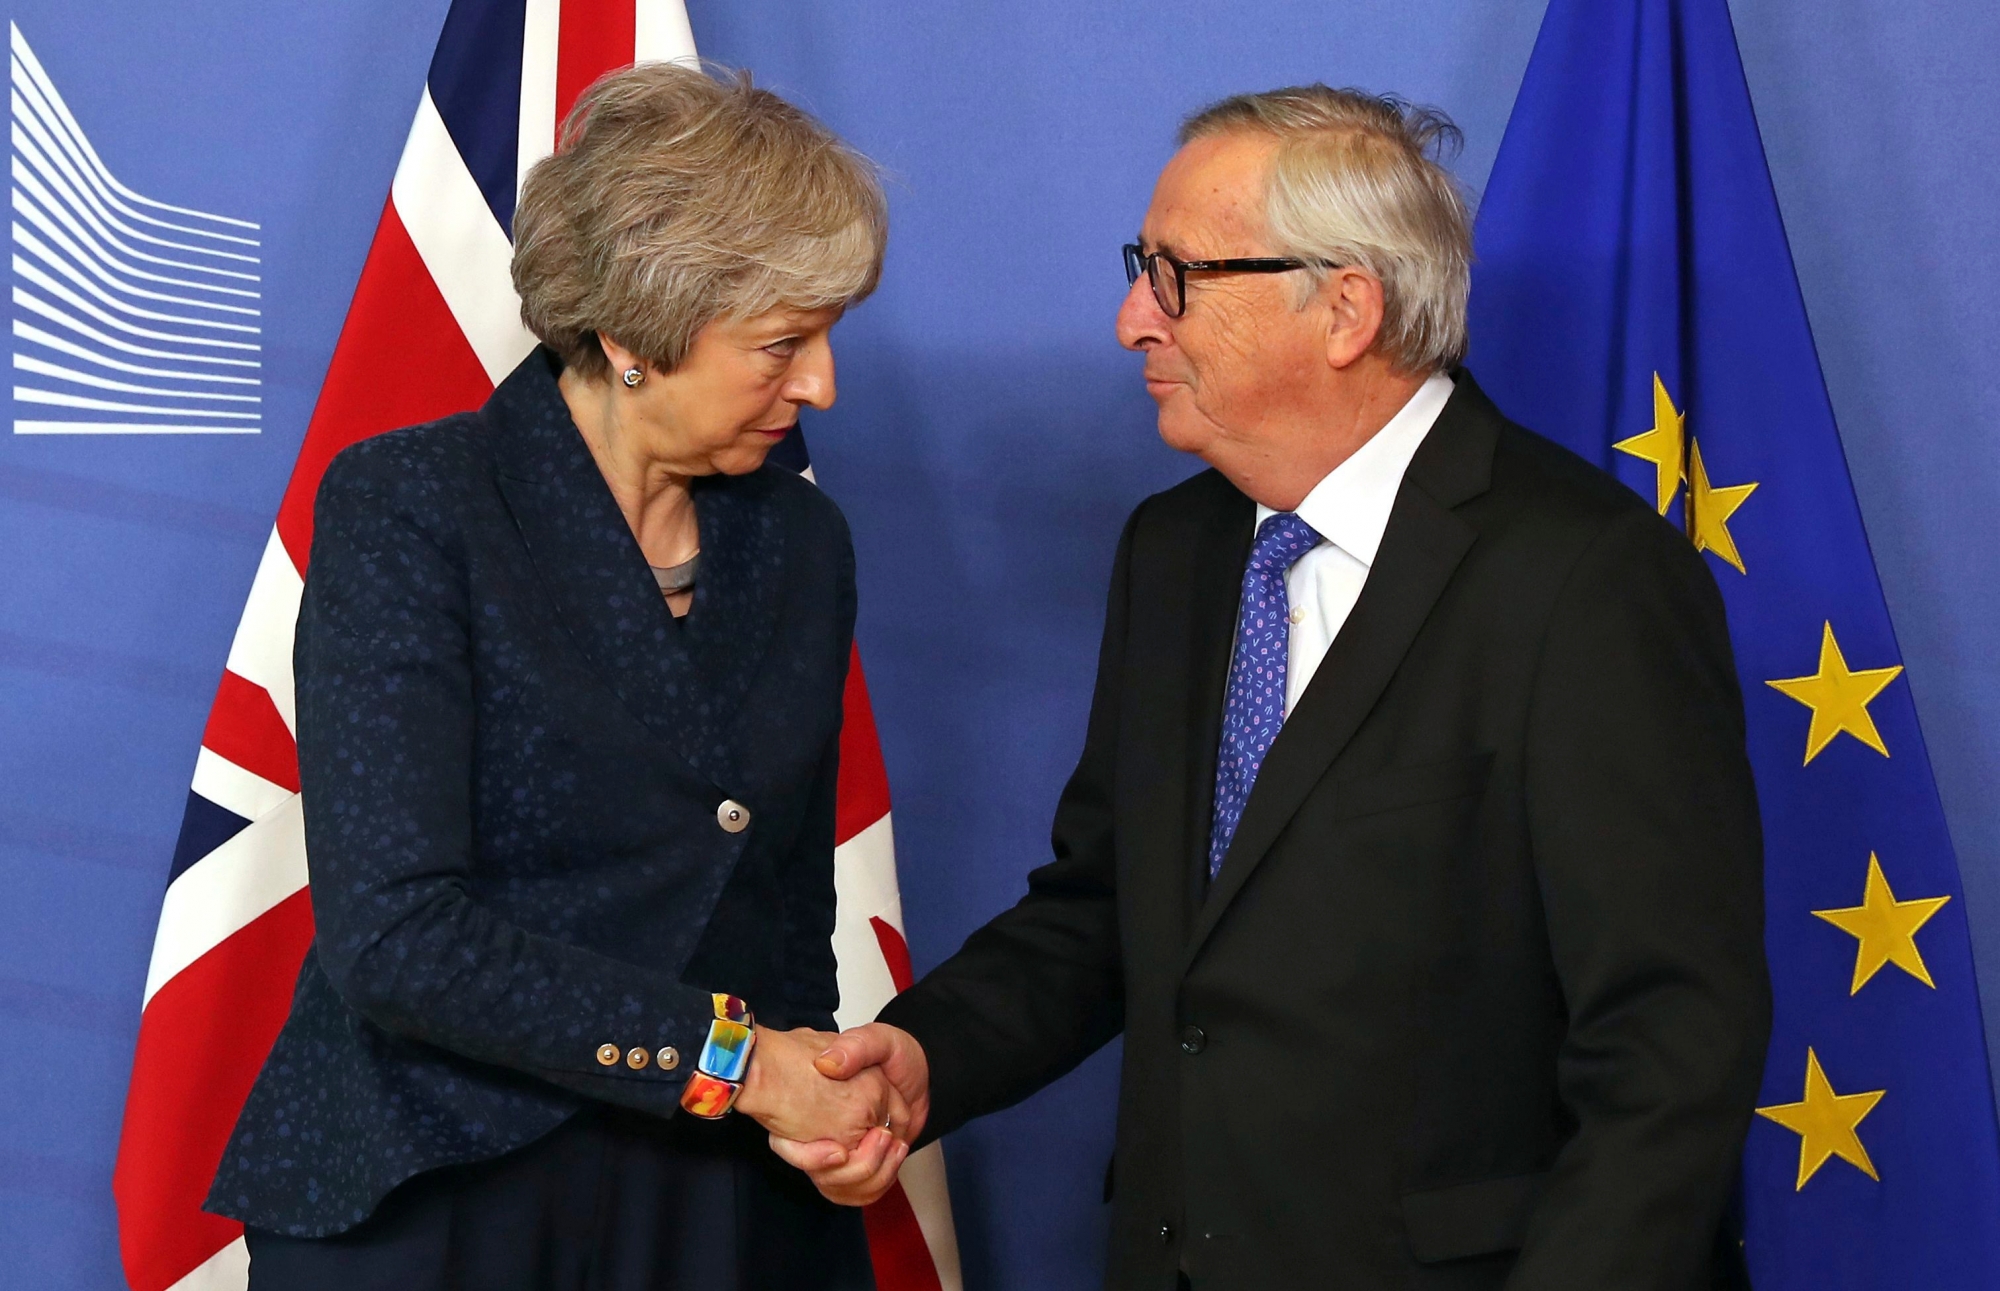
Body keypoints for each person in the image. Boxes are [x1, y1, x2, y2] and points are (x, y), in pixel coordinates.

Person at [779, 86, 1771, 1289]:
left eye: (1174, 275)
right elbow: (1108, 910)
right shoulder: (1175, 551)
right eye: (1138, 269)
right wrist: (927, 1059)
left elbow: (1668, 1049)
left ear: (1345, 308)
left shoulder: (1584, 581)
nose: (1130, 319)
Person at [205, 63, 905, 1290]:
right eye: (782, 344)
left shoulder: (802, 540)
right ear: (635, 338)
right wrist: (738, 1065)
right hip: (444, 1181)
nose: (820, 386)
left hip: (721, 1189)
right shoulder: (413, 506)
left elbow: (782, 902)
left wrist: (828, 1096)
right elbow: (399, 937)